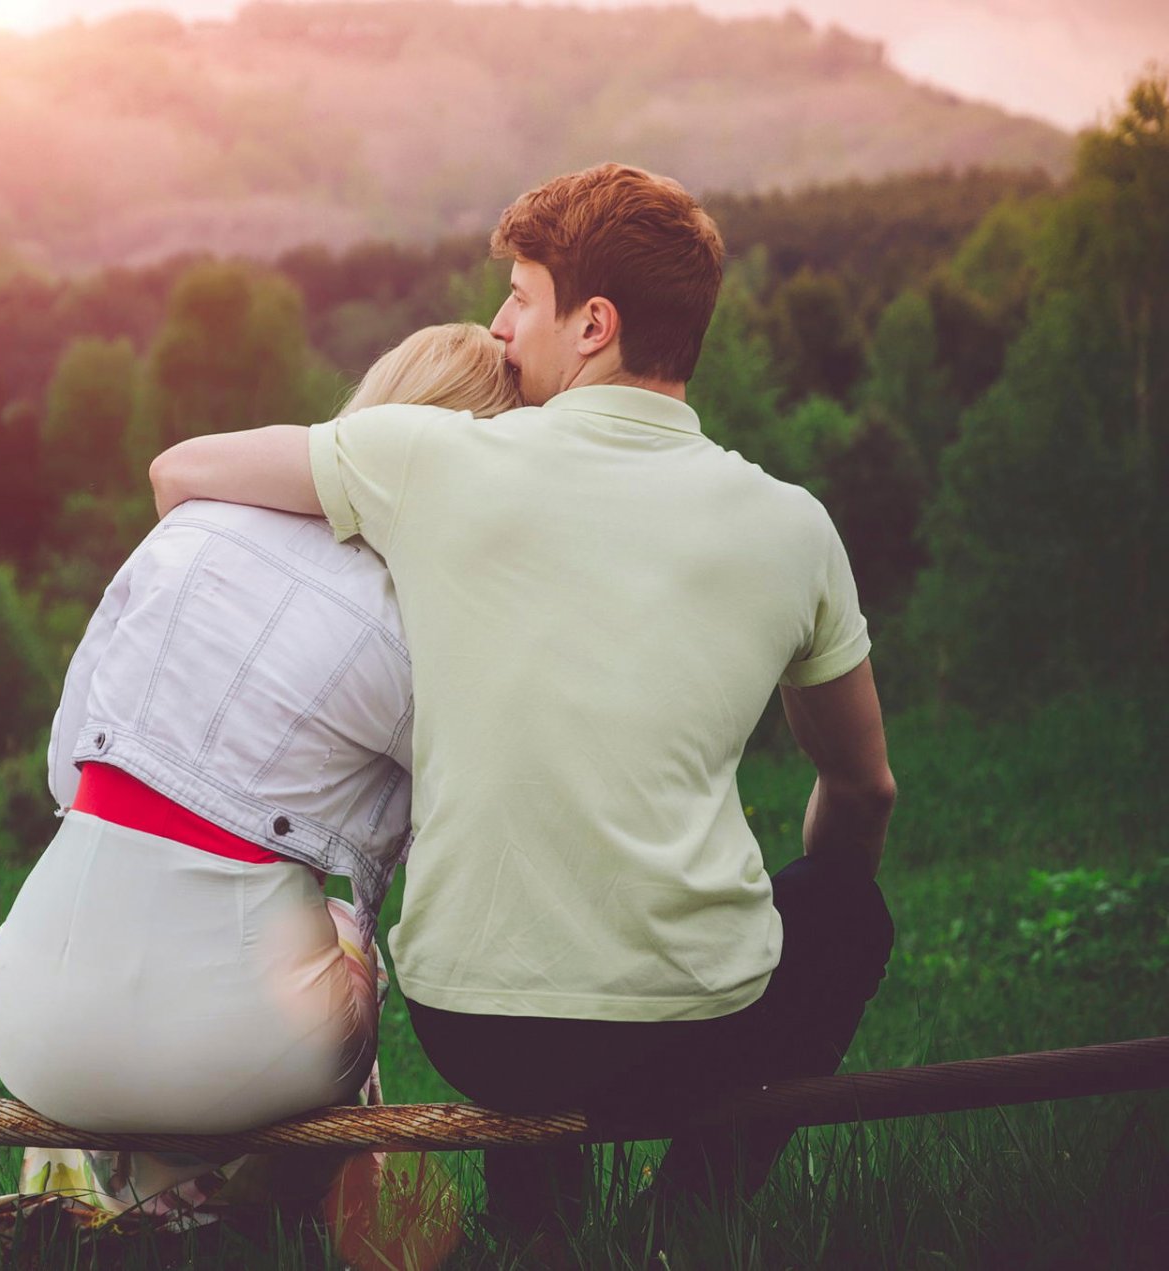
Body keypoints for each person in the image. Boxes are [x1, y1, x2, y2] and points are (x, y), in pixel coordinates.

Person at [146, 163, 898, 1239]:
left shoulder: (436, 459)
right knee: (843, 907)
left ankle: (544, 1238)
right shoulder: (795, 525)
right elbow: (863, 789)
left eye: (519, 294)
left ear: (593, 324)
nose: (500, 327)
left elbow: (182, 471)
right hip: (700, 1030)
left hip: (479, 1029)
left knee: (523, 986)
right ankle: (684, 1221)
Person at [0, 324, 518, 1256]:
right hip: (234, 1044)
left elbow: (67, 770)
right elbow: (448, 848)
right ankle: (284, 1236)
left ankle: (91, 1217)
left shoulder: (192, 528)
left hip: (28, 1017)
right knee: (339, 945)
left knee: (184, 954)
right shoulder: (428, 617)